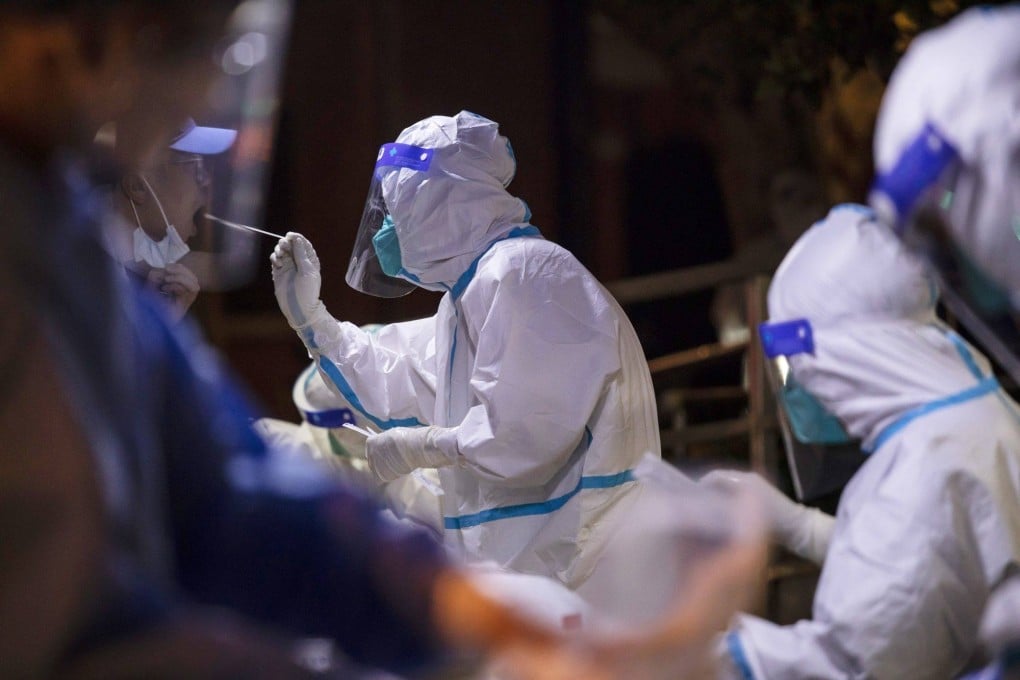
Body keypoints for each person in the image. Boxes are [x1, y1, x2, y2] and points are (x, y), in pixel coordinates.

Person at [0, 3, 643, 677]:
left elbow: (227, 490)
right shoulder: (33, 258)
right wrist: (321, 330)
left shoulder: (63, 239)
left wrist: (452, 606)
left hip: (563, 559)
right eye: (195, 50)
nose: (208, 92)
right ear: (85, 39)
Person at [271, 110, 662, 592]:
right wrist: (313, 321)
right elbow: (399, 377)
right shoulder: (471, 294)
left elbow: (524, 434)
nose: (386, 226)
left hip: (585, 572)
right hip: (536, 570)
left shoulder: (528, 275)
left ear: (436, 204)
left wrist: (418, 447)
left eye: (396, 208)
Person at [708, 204, 1020, 678]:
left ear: (843, 354)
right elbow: (929, 564)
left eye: (798, 363)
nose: (799, 385)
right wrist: (803, 528)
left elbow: (847, 663)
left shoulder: (923, 465)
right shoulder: (975, 411)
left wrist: (684, 650)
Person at [102, 117, 236, 321]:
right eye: (196, 165)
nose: (206, 181)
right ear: (137, 186)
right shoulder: (90, 272)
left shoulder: (128, 273)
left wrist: (164, 318)